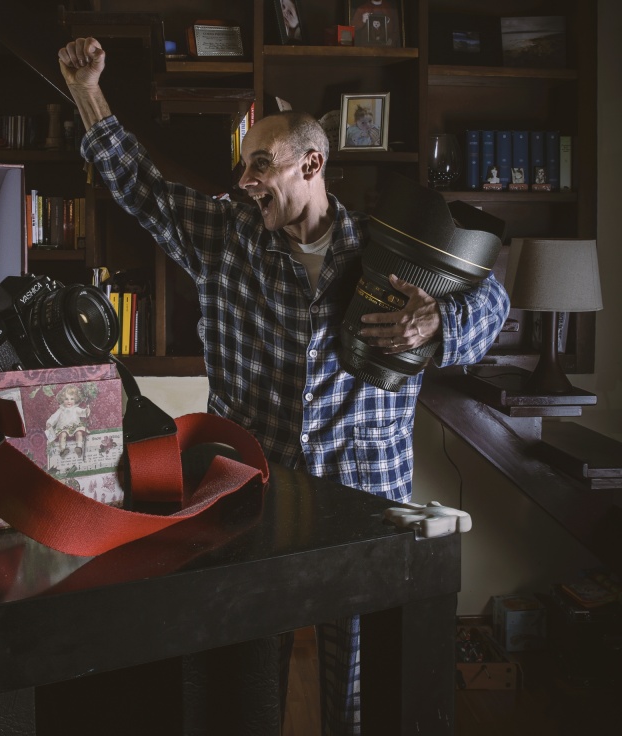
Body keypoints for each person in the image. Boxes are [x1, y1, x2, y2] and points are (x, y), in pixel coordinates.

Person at [58, 36, 509, 735]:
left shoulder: (386, 245)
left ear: (312, 163)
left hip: (367, 494)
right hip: (252, 490)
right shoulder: (224, 235)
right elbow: (138, 185)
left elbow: (493, 300)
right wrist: (87, 90)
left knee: (356, 679)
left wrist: (437, 322)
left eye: (260, 164)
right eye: (244, 165)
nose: (245, 179)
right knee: (245, 669)